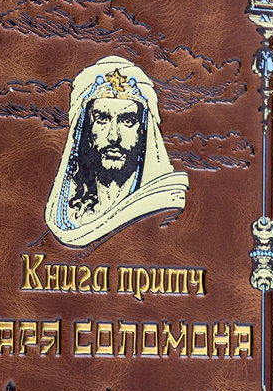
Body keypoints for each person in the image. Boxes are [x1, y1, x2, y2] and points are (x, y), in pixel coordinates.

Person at [45, 56, 188, 247]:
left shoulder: (164, 210)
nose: (114, 136)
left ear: (144, 131)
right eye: (102, 119)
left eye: (128, 121)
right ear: (86, 130)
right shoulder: (69, 216)